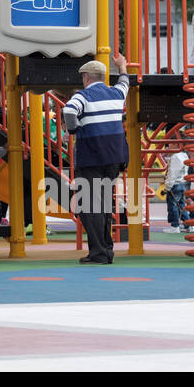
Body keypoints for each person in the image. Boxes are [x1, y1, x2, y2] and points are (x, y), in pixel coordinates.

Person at [61, 52, 130, 264]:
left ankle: (99, 252)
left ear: (86, 77)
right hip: (115, 157)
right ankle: (106, 250)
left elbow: (68, 111)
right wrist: (122, 65)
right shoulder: (116, 93)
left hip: (91, 156)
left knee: (89, 205)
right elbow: (125, 82)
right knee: (105, 204)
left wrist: (73, 130)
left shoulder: (83, 96)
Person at [164, 148, 193, 234]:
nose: (168, 146)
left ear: (176, 145)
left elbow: (173, 173)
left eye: (170, 144)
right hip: (182, 183)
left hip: (174, 184)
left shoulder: (175, 157)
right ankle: (189, 225)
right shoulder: (184, 155)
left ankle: (175, 226)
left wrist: (168, 186)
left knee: (173, 206)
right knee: (181, 206)